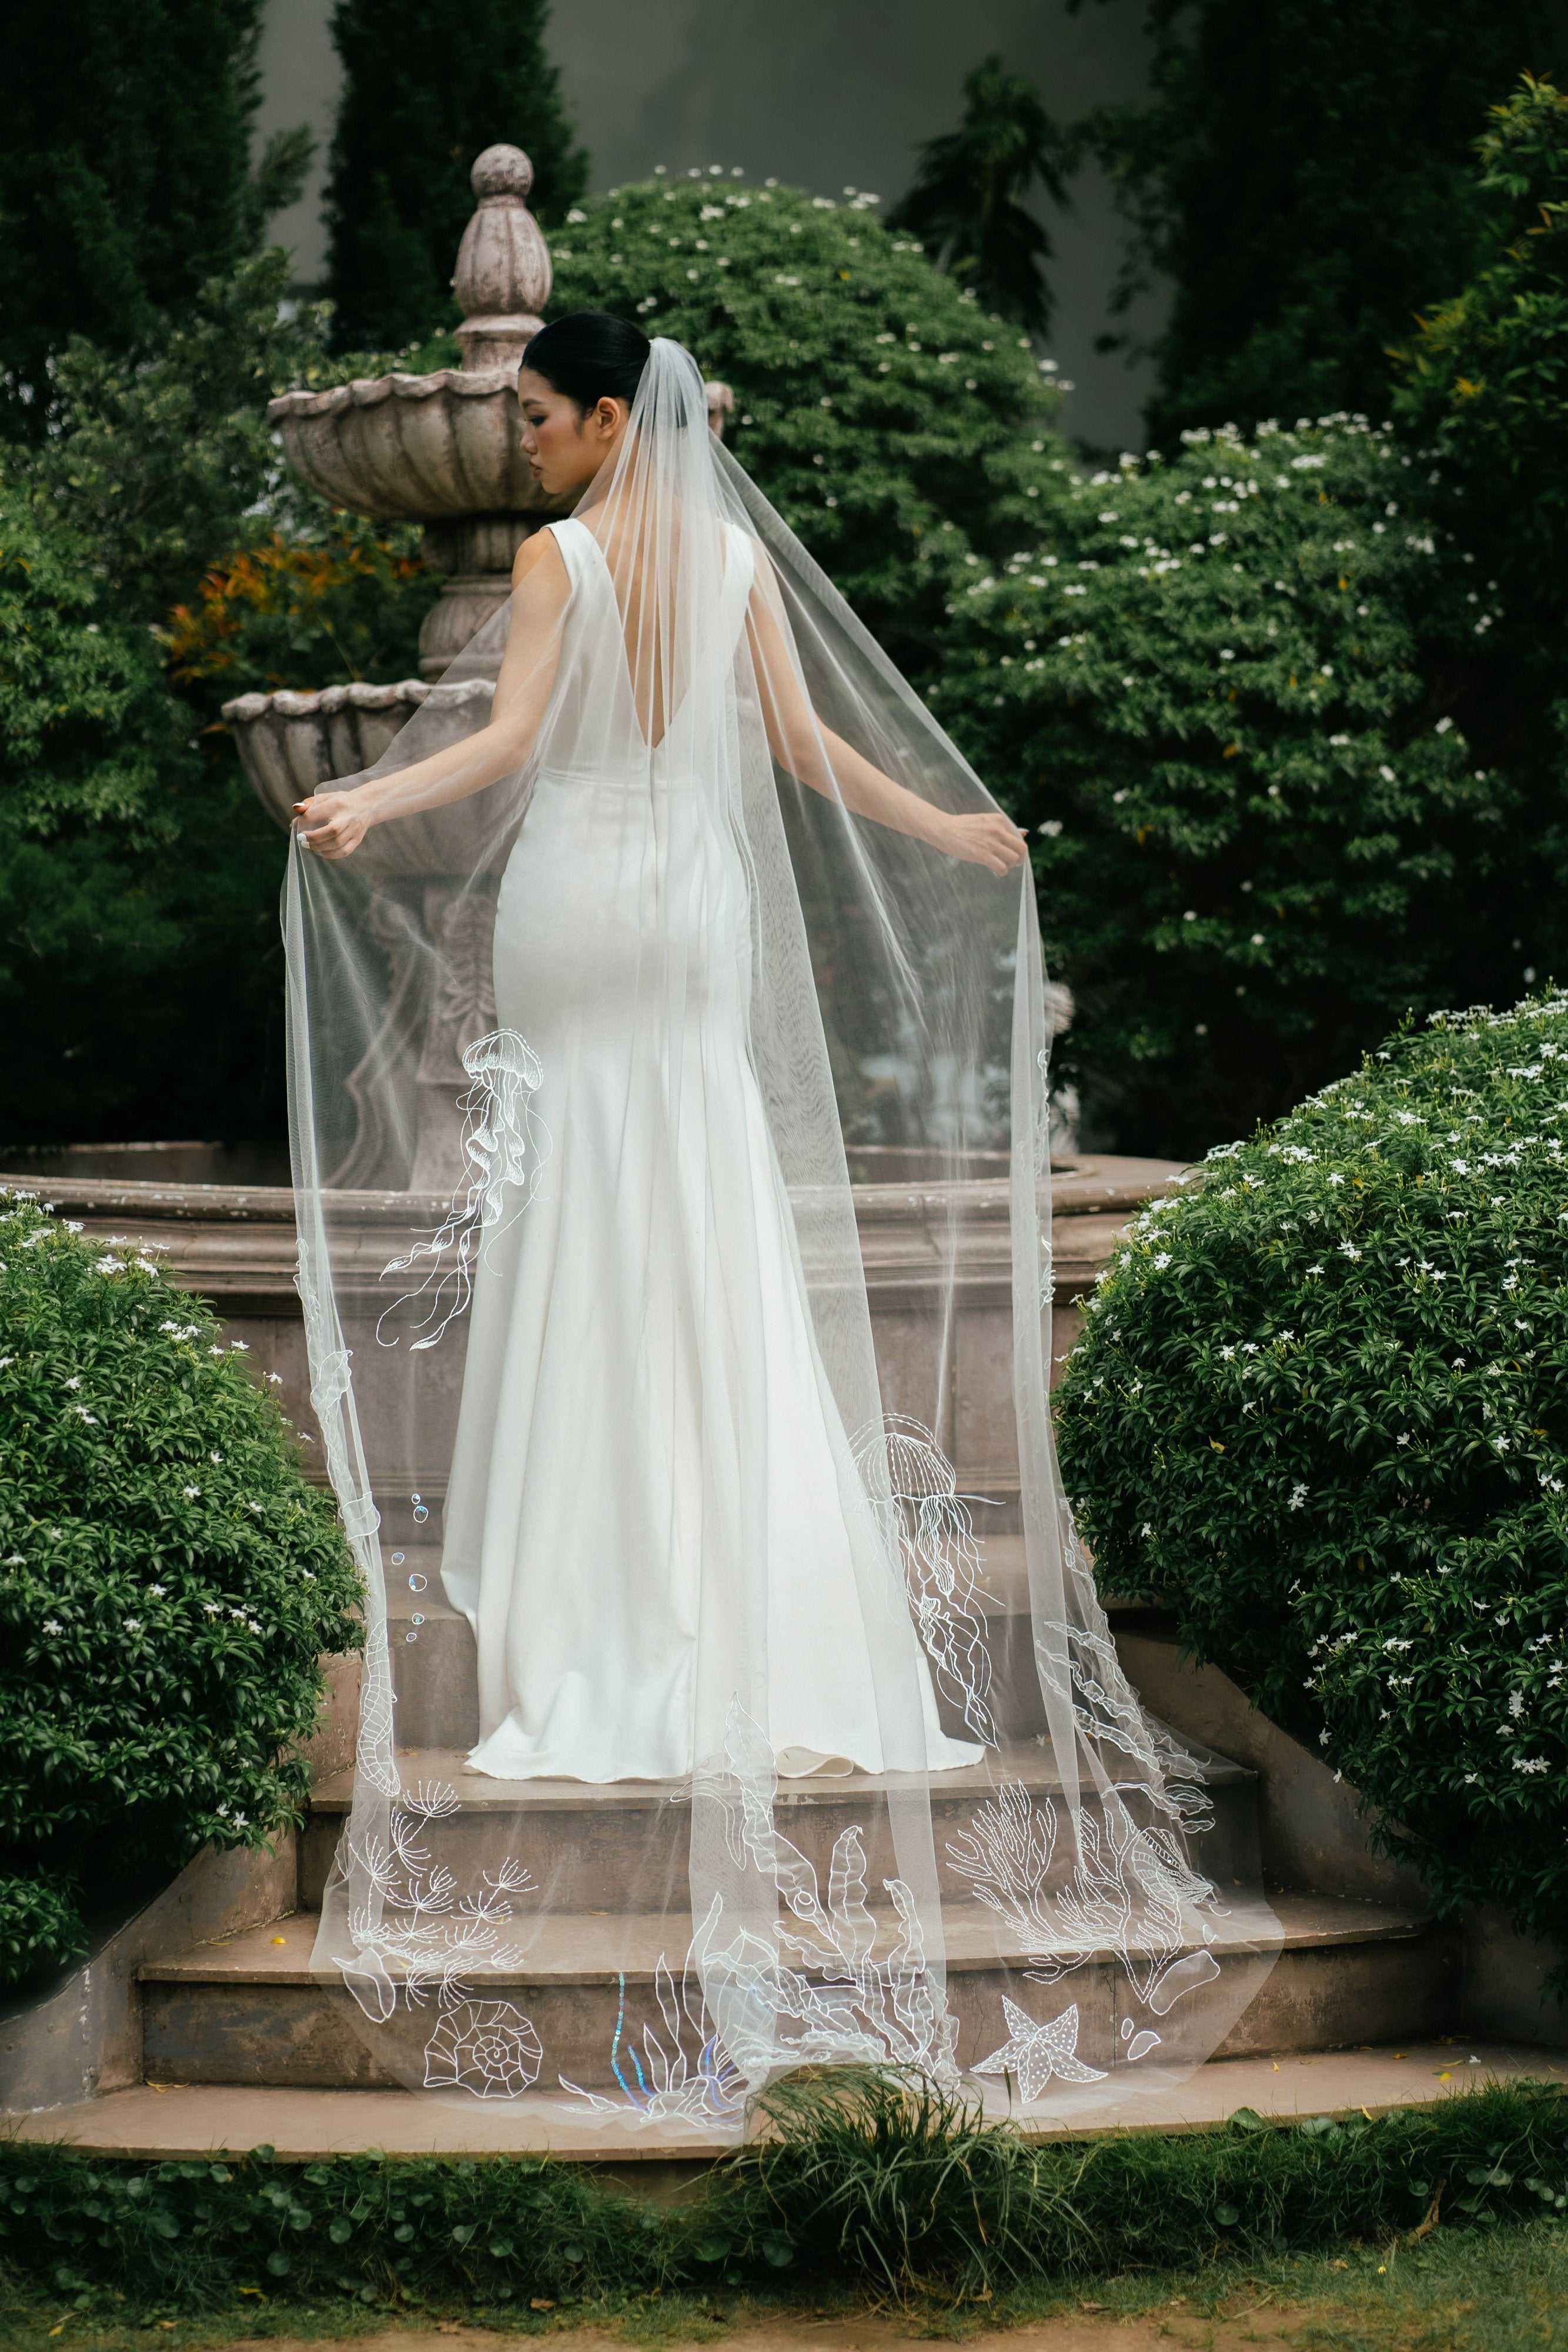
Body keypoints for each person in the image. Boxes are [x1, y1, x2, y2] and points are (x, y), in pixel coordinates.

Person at [294, 315, 1024, 1785]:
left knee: (574, 1182)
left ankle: (593, 1547)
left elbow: (506, 743)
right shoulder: (734, 558)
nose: (523, 440)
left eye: (540, 415)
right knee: (702, 1185)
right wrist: (941, 822)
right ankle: (747, 1563)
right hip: (694, 905)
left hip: (577, 899)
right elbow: (802, 746)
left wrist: (372, 797)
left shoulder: (556, 558)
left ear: (613, 419)